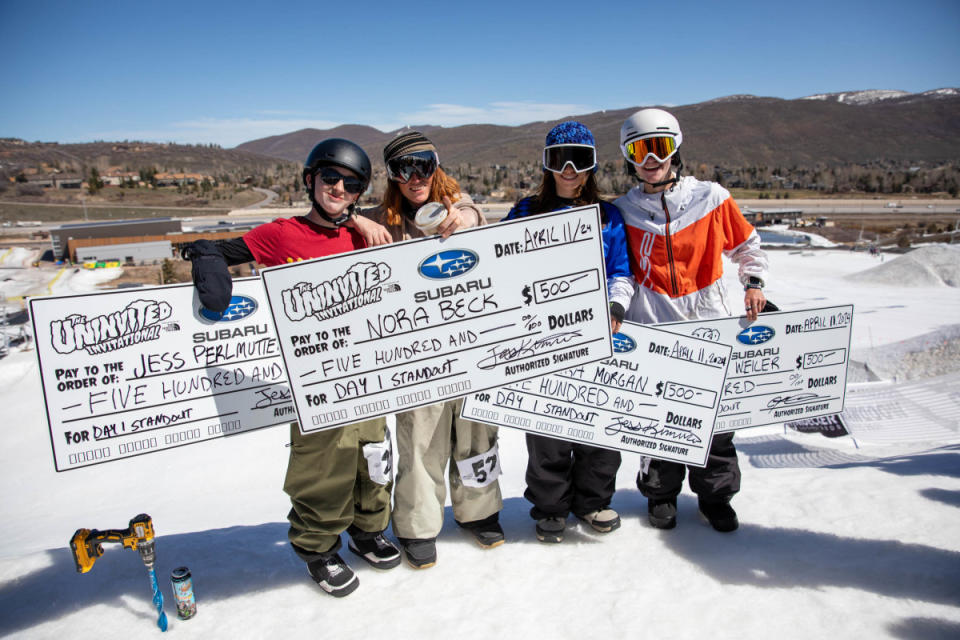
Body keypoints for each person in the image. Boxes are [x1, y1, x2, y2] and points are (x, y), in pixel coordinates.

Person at [182, 138, 399, 597]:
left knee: (374, 457)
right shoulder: (282, 233)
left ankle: (367, 530)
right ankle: (318, 547)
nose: (339, 188)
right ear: (310, 180)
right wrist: (208, 264)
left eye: (351, 183)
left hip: (368, 370)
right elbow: (221, 249)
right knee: (324, 465)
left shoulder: (368, 231)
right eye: (330, 178)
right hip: (316, 376)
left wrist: (363, 220)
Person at [614, 108, 769, 533]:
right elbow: (615, 268)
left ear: (676, 149)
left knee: (716, 423)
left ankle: (715, 496)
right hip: (654, 328)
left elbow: (746, 245)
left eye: (659, 147)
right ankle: (661, 494)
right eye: (639, 150)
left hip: (710, 324)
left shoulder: (711, 198)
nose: (650, 159)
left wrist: (753, 283)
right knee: (657, 418)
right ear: (629, 157)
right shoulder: (622, 212)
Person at [362, 130, 503, 568]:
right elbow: (336, 218)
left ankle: (480, 511)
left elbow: (475, 216)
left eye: (423, 164)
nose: (414, 176)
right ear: (391, 177)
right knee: (421, 439)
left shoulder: (458, 209)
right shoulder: (383, 221)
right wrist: (355, 219)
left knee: (477, 432)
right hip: (416, 354)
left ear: (436, 165)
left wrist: (466, 216)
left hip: (470, 344)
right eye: (403, 169)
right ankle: (417, 524)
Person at [504, 121, 635, 543]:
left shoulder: (608, 216)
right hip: (539, 335)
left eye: (580, 160)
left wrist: (616, 304)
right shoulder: (525, 212)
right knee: (548, 427)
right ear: (547, 164)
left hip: (595, 335)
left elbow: (620, 271)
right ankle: (551, 506)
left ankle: (594, 501)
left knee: (598, 418)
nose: (570, 170)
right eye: (561, 160)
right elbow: (499, 263)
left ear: (592, 165)